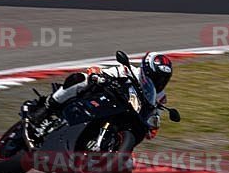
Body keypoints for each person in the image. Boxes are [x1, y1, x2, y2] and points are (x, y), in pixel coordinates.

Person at [25, 52, 173, 138]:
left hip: (125, 116)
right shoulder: (128, 71)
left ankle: (113, 152)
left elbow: (154, 118)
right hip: (104, 100)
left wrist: (153, 126)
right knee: (80, 79)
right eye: (156, 76)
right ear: (146, 70)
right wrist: (97, 74)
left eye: (163, 79)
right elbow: (101, 72)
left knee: (137, 139)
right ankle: (46, 108)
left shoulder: (160, 97)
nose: (158, 81)